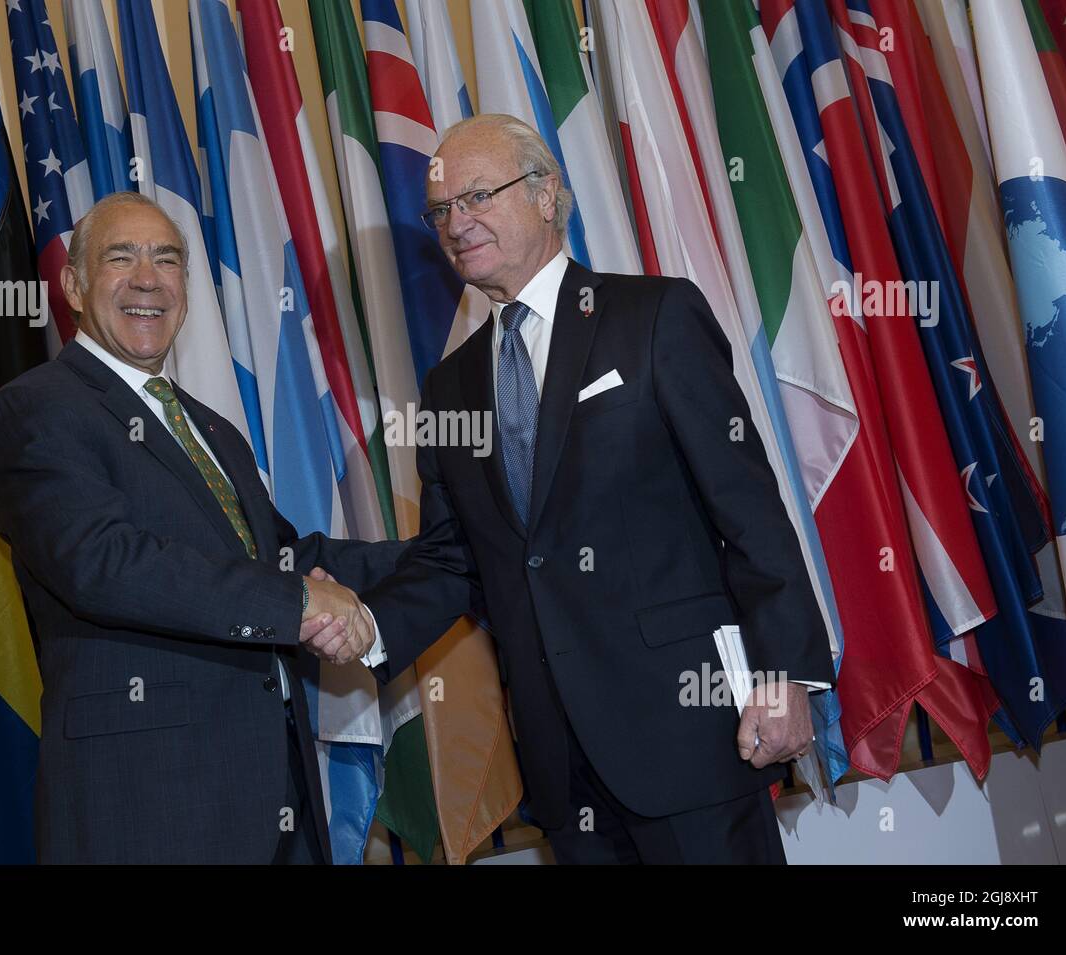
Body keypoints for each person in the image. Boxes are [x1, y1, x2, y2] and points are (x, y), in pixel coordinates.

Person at [328, 114, 836, 863]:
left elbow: (749, 509)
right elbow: (453, 559)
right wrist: (367, 623)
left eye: (476, 197)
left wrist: (785, 672)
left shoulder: (654, 316)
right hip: (563, 766)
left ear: (546, 194)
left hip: (690, 734)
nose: (456, 223)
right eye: (441, 211)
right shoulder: (449, 387)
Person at [0, 191, 399, 864]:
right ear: (73, 285)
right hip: (148, 809)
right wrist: (297, 603)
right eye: (122, 256)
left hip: (277, 799)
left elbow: (283, 557)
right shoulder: (36, 409)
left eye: (167, 259)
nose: (149, 278)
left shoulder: (212, 430)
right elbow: (105, 562)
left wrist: (443, 552)